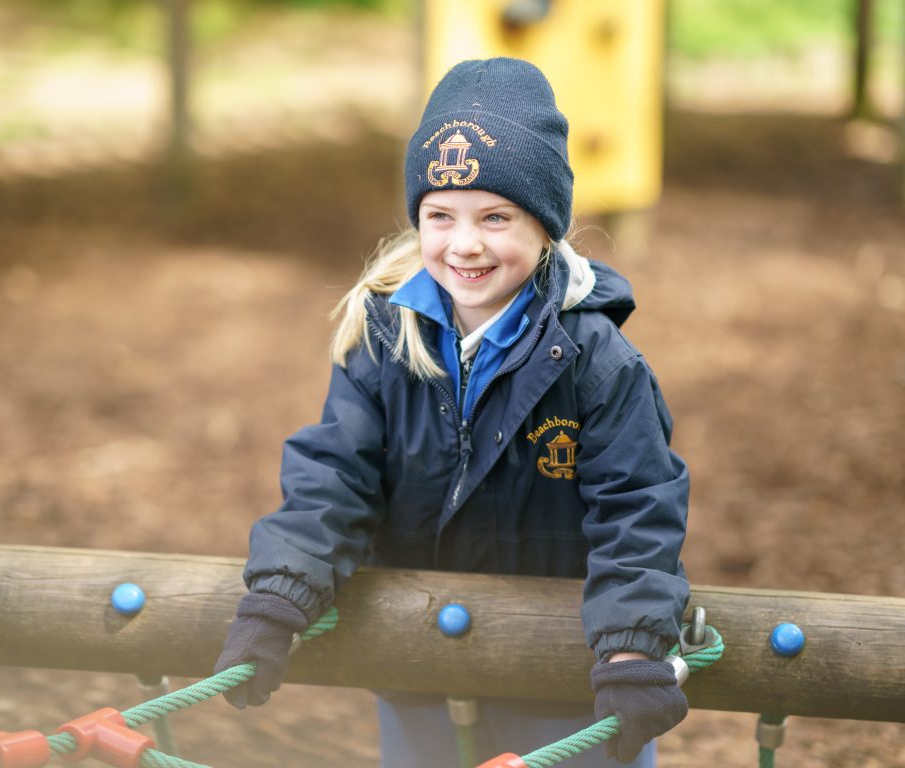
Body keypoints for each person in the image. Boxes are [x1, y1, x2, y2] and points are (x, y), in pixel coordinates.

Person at [215, 57, 690, 767]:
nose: (464, 244)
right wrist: (281, 593)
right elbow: (334, 475)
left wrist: (631, 648)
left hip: (557, 683)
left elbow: (638, 510)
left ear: (546, 227)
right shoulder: (387, 339)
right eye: (441, 216)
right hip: (421, 673)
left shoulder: (595, 361)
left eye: (495, 217)